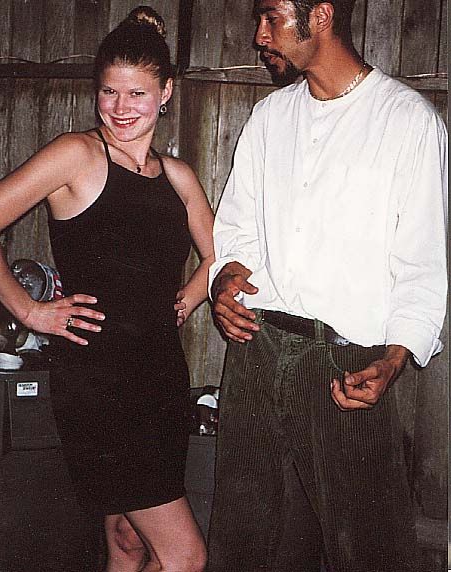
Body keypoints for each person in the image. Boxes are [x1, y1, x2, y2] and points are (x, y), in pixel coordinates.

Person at [207, 1, 448, 571]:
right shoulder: (270, 117)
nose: (258, 35)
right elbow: (237, 227)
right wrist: (226, 280)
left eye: (270, 18)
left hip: (346, 367)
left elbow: (422, 262)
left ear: (319, 16)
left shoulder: (406, 121)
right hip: (258, 352)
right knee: (248, 545)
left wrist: (393, 361)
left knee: (367, 551)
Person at [0, 6, 213, 572]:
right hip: (99, 385)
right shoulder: (77, 155)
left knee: (129, 540)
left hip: (161, 379)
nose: (120, 108)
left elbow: (218, 257)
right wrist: (30, 311)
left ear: (166, 93)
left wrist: (186, 299)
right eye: (109, 92)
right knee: (185, 556)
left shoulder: (178, 176)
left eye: (137, 94)